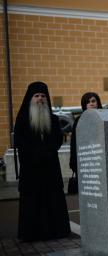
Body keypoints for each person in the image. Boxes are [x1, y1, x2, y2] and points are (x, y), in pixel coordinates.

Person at [14, 81, 71, 241]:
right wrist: (37, 153)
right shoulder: (22, 119)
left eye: (43, 96)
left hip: (50, 167)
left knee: (52, 199)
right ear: (30, 98)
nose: (40, 99)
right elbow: (20, 141)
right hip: (31, 168)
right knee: (32, 201)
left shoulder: (52, 119)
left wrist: (48, 151)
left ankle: (56, 231)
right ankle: (32, 233)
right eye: (37, 96)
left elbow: (58, 139)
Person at [69, 92, 103, 184]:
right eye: (88, 102)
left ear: (98, 103)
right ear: (84, 105)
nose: (91, 104)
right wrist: (73, 163)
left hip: (100, 160)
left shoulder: (104, 117)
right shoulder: (79, 120)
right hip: (85, 161)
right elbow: (74, 143)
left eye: (93, 101)